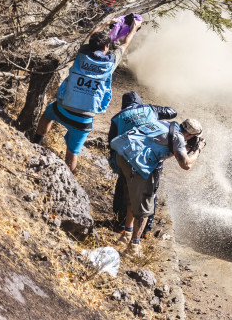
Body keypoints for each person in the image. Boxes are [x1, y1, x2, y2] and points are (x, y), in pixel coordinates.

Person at [32, 20, 141, 171]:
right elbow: (125, 44)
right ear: (105, 47)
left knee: (47, 115)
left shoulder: (82, 53)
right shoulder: (111, 62)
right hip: (83, 120)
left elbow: (90, 35)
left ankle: (35, 143)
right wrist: (134, 28)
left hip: (62, 109)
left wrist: (106, 22)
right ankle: (67, 179)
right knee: (72, 153)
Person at [111, 117, 203, 257]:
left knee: (131, 197)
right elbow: (186, 165)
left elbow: (159, 149)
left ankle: (126, 236)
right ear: (190, 136)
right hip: (137, 165)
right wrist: (198, 149)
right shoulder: (178, 137)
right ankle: (133, 247)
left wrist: (185, 148)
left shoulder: (164, 123)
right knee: (145, 207)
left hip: (123, 157)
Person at [108, 92, 177, 237]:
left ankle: (120, 225)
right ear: (139, 102)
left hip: (127, 157)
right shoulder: (149, 109)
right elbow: (172, 112)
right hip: (150, 158)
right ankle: (146, 230)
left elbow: (111, 142)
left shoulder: (117, 117)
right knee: (150, 192)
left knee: (124, 188)